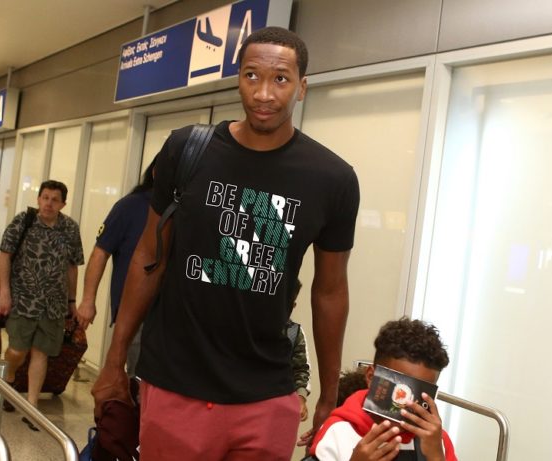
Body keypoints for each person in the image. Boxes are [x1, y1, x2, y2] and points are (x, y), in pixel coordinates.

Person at [92, 26, 360, 460]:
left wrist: (330, 394)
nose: (264, 93)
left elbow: (330, 291)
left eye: (280, 79)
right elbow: (149, 255)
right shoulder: (187, 149)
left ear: (302, 87)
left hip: (266, 394)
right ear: (238, 79)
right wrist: (114, 358)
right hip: (175, 382)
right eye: (252, 76)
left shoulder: (333, 179)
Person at [0, 180, 84, 429]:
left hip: (53, 304)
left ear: (63, 204)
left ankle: (31, 407)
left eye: (55, 200)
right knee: (17, 350)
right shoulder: (23, 221)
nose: (48, 203)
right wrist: (4, 292)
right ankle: (10, 375)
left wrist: (72, 302)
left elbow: (72, 267)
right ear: (38, 199)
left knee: (41, 352)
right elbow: (4, 255)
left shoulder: (70, 229)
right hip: (23, 299)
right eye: (45, 197)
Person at [308, 318, 458, 461]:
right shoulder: (338, 433)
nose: (408, 403)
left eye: (420, 393)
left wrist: (437, 457)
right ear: (371, 377)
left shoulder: (436, 441)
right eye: (400, 389)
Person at [76, 158, 156, 378]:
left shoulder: (182, 209)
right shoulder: (130, 206)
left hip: (169, 313)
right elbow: (100, 252)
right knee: (138, 375)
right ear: (157, 173)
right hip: (134, 310)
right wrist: (88, 300)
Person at [288, 280, 311, 422]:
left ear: (293, 305)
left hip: (281, 403)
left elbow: (302, 369)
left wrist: (301, 398)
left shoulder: (294, 332)